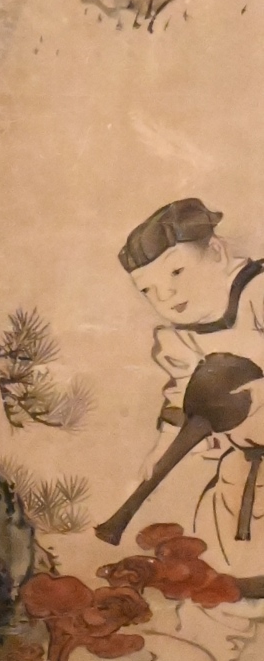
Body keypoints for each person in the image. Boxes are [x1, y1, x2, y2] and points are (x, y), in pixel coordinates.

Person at [111, 197, 264, 582]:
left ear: (217, 252)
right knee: (222, 524)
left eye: (177, 271)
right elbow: (181, 398)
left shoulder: (258, 292)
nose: (165, 297)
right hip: (243, 459)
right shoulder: (181, 341)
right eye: (148, 290)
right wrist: (162, 450)